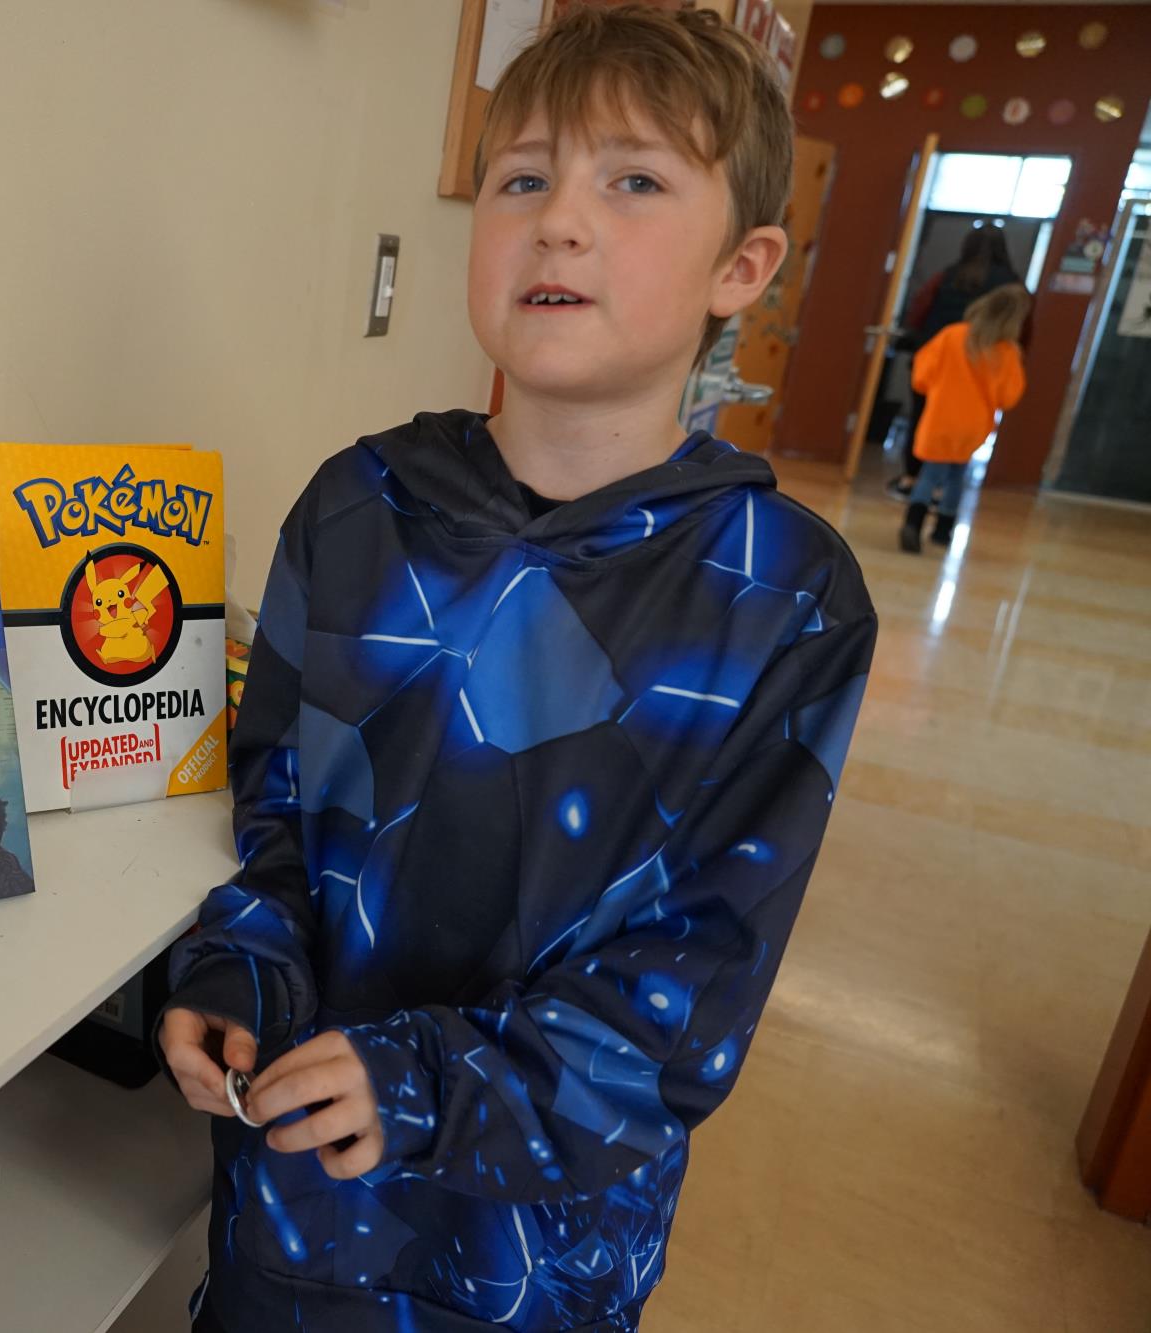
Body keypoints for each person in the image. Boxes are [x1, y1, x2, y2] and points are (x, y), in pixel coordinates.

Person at [156, 7, 878, 1331]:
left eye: (637, 181)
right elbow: (278, 820)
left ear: (744, 265)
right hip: (293, 1212)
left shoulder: (785, 599)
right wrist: (233, 976)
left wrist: (425, 1083)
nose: (561, 219)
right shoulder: (354, 508)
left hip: (534, 1263)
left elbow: (694, 984)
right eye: (524, 178)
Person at [886, 228, 1029, 501]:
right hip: (982, 375)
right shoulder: (1012, 287)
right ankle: (943, 497)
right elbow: (1024, 335)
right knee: (962, 444)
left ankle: (911, 480)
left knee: (922, 423)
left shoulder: (948, 276)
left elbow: (918, 311)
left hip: (938, 361)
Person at [898, 283, 1030, 552]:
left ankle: (913, 523)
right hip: (973, 427)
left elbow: (921, 376)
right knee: (957, 476)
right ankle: (943, 531)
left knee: (929, 475)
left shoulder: (952, 336)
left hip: (940, 419)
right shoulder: (1007, 352)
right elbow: (1009, 398)